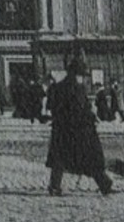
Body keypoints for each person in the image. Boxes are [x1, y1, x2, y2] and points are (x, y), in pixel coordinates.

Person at [45, 52, 114, 196]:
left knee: (59, 159)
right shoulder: (77, 88)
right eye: (82, 75)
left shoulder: (58, 87)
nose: (83, 78)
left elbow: (51, 106)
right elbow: (80, 108)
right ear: (76, 74)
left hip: (61, 129)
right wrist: (90, 118)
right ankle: (104, 184)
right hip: (80, 130)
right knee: (91, 157)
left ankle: (54, 186)